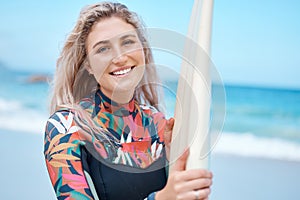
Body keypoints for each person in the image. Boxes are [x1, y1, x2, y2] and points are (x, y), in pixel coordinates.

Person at [44, 2, 213, 200]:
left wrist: (171, 162)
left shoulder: (159, 124)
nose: (120, 57)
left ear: (143, 51)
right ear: (88, 65)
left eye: (127, 42)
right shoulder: (66, 128)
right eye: (103, 49)